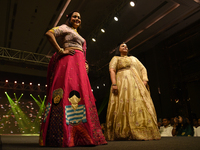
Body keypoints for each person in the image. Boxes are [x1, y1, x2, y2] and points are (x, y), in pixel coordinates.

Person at [39, 11, 107, 147]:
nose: (77, 19)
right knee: (66, 90)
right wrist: (60, 50)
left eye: (79, 17)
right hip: (67, 63)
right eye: (75, 16)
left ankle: (83, 133)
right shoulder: (64, 28)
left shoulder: (79, 35)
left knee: (81, 92)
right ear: (69, 18)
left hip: (79, 66)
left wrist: (85, 64)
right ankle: (65, 133)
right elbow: (49, 34)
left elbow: (83, 51)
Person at [104, 42, 161, 140]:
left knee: (139, 104)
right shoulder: (115, 59)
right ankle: (123, 131)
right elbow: (112, 70)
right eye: (122, 46)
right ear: (118, 49)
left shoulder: (134, 59)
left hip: (136, 84)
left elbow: (143, 68)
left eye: (126, 46)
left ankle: (142, 130)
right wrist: (114, 83)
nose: (125, 47)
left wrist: (144, 80)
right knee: (122, 104)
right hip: (122, 84)